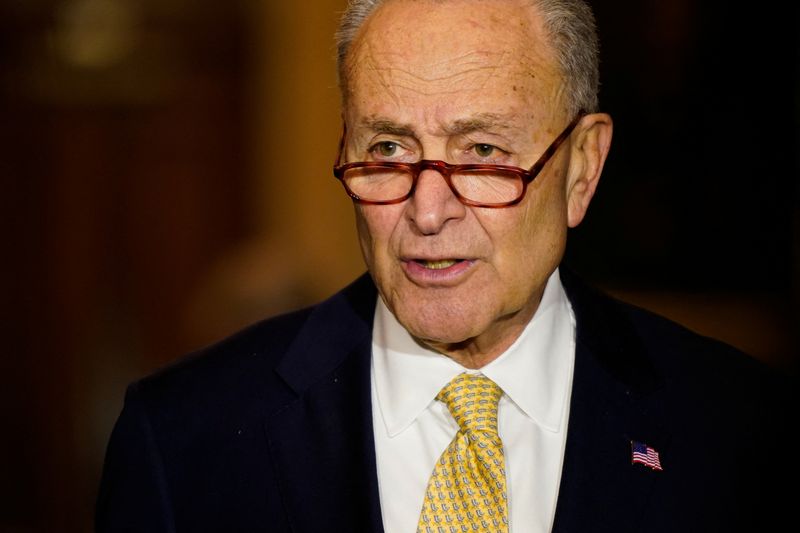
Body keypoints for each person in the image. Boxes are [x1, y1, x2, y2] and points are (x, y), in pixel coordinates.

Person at [96, 0, 794, 531]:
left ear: (582, 168)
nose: (428, 212)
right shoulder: (184, 443)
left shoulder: (741, 433)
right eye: (391, 150)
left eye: (482, 152)